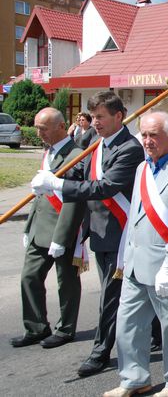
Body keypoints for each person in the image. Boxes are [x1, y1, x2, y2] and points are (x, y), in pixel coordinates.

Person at [31, 91, 144, 376]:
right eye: (92, 117)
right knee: (130, 290)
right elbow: (80, 173)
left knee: (110, 295)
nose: (94, 122)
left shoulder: (129, 148)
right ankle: (155, 333)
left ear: (119, 116)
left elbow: (104, 188)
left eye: (100, 117)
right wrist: (51, 180)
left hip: (122, 234)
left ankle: (100, 353)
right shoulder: (96, 141)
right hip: (100, 232)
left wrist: (58, 186)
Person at [102, 111, 168, 397]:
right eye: (144, 135)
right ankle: (134, 379)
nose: (147, 141)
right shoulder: (142, 169)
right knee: (128, 325)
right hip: (135, 264)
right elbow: (136, 216)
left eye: (154, 135)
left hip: (165, 268)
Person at [11, 108, 86, 349]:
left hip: (62, 231)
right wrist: (29, 227)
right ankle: (35, 326)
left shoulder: (77, 154)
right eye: (37, 127)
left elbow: (75, 199)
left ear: (61, 127)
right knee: (29, 277)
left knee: (67, 283)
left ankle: (65, 329)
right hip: (39, 228)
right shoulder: (48, 152)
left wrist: (62, 237)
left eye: (43, 128)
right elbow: (41, 194)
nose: (38, 132)